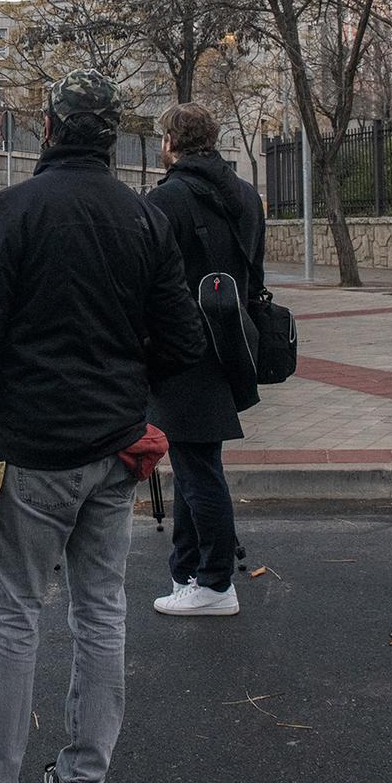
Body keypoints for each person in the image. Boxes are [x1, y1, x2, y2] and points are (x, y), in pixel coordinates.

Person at [0, 71, 209, 783]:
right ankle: (82, 777)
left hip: (37, 455)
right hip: (114, 453)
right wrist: (130, 388)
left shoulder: (13, 211)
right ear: (112, 138)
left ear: (48, 128)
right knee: (101, 611)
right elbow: (184, 341)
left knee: (13, 615)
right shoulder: (145, 218)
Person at [143, 103, 265, 617]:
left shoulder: (165, 200)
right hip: (234, 342)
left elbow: (148, 282)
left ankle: (215, 584)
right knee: (196, 458)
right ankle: (189, 571)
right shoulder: (244, 194)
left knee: (197, 469)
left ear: (171, 141)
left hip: (181, 348)